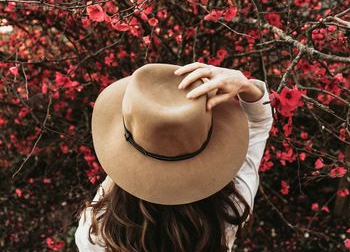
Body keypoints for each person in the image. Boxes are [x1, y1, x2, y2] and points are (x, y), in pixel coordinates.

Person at [75, 62, 274, 252]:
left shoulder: (95, 232)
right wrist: (246, 86)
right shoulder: (231, 209)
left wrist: (130, 148)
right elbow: (258, 124)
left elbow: (114, 179)